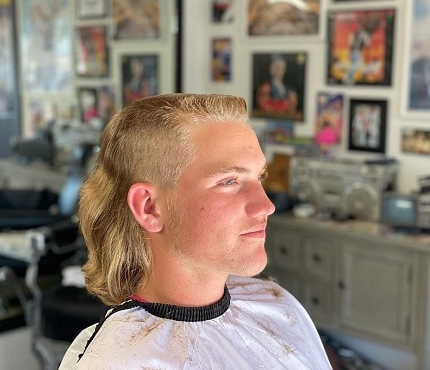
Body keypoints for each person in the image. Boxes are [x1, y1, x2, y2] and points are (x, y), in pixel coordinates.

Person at [59, 93, 332, 369]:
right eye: (229, 181)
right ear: (149, 207)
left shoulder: (277, 307)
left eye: (258, 177)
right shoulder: (117, 362)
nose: (266, 206)